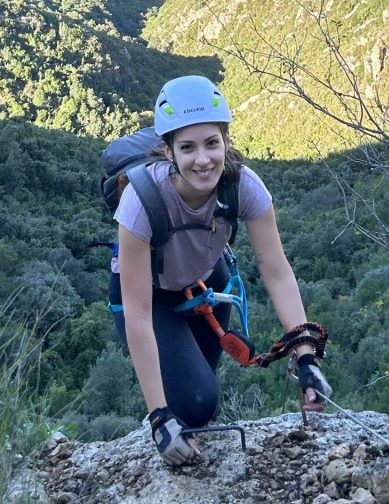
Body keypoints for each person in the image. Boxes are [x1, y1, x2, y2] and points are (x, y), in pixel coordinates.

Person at [109, 74, 331, 465]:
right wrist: (159, 418)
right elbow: (139, 315)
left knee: (199, 397)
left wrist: (305, 354)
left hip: (206, 281)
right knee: (193, 404)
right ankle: (171, 420)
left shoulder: (242, 186)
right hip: (151, 296)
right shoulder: (140, 200)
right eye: (188, 147)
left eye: (212, 143)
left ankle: (181, 418)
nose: (203, 159)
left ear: (226, 141)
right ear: (168, 151)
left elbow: (275, 269)